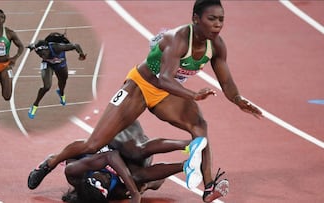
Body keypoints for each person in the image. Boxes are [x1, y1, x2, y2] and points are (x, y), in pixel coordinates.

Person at [28, 0, 263, 202]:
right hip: (139, 86)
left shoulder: (217, 45)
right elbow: (164, 78)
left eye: (221, 19)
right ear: (195, 19)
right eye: (212, 19)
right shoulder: (179, 39)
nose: (218, 24)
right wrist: (193, 95)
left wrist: (238, 99)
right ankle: (49, 163)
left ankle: (209, 186)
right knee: (93, 144)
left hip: (166, 93)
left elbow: (227, 82)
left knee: (200, 126)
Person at [61, 120, 191, 203]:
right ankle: (187, 165)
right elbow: (158, 182)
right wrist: (144, 187)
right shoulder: (117, 191)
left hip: (122, 128)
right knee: (137, 178)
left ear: (87, 182)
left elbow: (111, 156)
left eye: (100, 180)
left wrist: (134, 193)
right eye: (107, 186)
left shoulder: (75, 171)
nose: (106, 179)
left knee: (133, 151)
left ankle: (188, 144)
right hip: (137, 154)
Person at [26, 32, 86, 119]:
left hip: (60, 64)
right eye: (40, 55)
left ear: (47, 49)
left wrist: (81, 54)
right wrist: (31, 46)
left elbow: (76, 45)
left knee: (63, 81)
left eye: (43, 54)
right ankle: (34, 106)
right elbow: (34, 46)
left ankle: (61, 93)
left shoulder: (57, 47)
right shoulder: (38, 50)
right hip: (48, 65)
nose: (42, 56)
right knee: (47, 86)